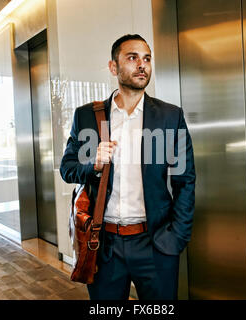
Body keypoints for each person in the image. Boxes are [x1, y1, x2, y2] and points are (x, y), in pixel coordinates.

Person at [60, 34, 195, 300]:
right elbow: (68, 168)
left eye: (146, 59)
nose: (142, 65)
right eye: (132, 58)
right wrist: (92, 165)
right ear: (114, 67)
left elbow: (185, 180)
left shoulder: (170, 116)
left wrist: (176, 238)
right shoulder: (88, 116)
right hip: (104, 245)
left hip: (156, 244)